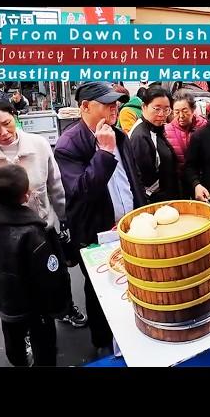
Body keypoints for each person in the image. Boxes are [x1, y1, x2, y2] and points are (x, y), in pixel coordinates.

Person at [0, 97, 87, 328]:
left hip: (43, 228)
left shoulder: (39, 144)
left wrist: (65, 218)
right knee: (17, 287)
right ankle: (23, 329)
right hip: (4, 241)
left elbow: (55, 185)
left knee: (56, 276)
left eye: (7, 122)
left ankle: (64, 308)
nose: (4, 132)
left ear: (14, 115)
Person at [54, 82, 145, 354]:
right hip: (96, 232)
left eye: (115, 103)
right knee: (99, 290)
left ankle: (131, 333)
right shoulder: (69, 144)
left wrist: (141, 209)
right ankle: (102, 341)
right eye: (106, 104)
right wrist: (104, 153)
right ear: (85, 107)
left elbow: (132, 179)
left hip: (129, 224)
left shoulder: (120, 134)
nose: (114, 108)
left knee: (133, 279)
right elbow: (81, 192)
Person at [0, 164, 71, 366]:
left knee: (12, 334)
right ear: (26, 195)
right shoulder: (34, 233)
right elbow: (50, 275)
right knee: (43, 340)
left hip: (2, 297)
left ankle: (19, 361)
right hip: (35, 304)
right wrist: (60, 306)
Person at [128, 86, 179, 203]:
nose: (162, 114)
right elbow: (144, 181)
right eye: (157, 109)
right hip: (157, 203)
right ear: (144, 107)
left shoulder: (156, 128)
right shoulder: (140, 137)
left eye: (166, 109)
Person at [164, 90, 207, 196]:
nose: (181, 115)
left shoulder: (205, 127)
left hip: (203, 181)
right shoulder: (166, 131)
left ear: (193, 110)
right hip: (179, 185)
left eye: (185, 111)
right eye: (177, 112)